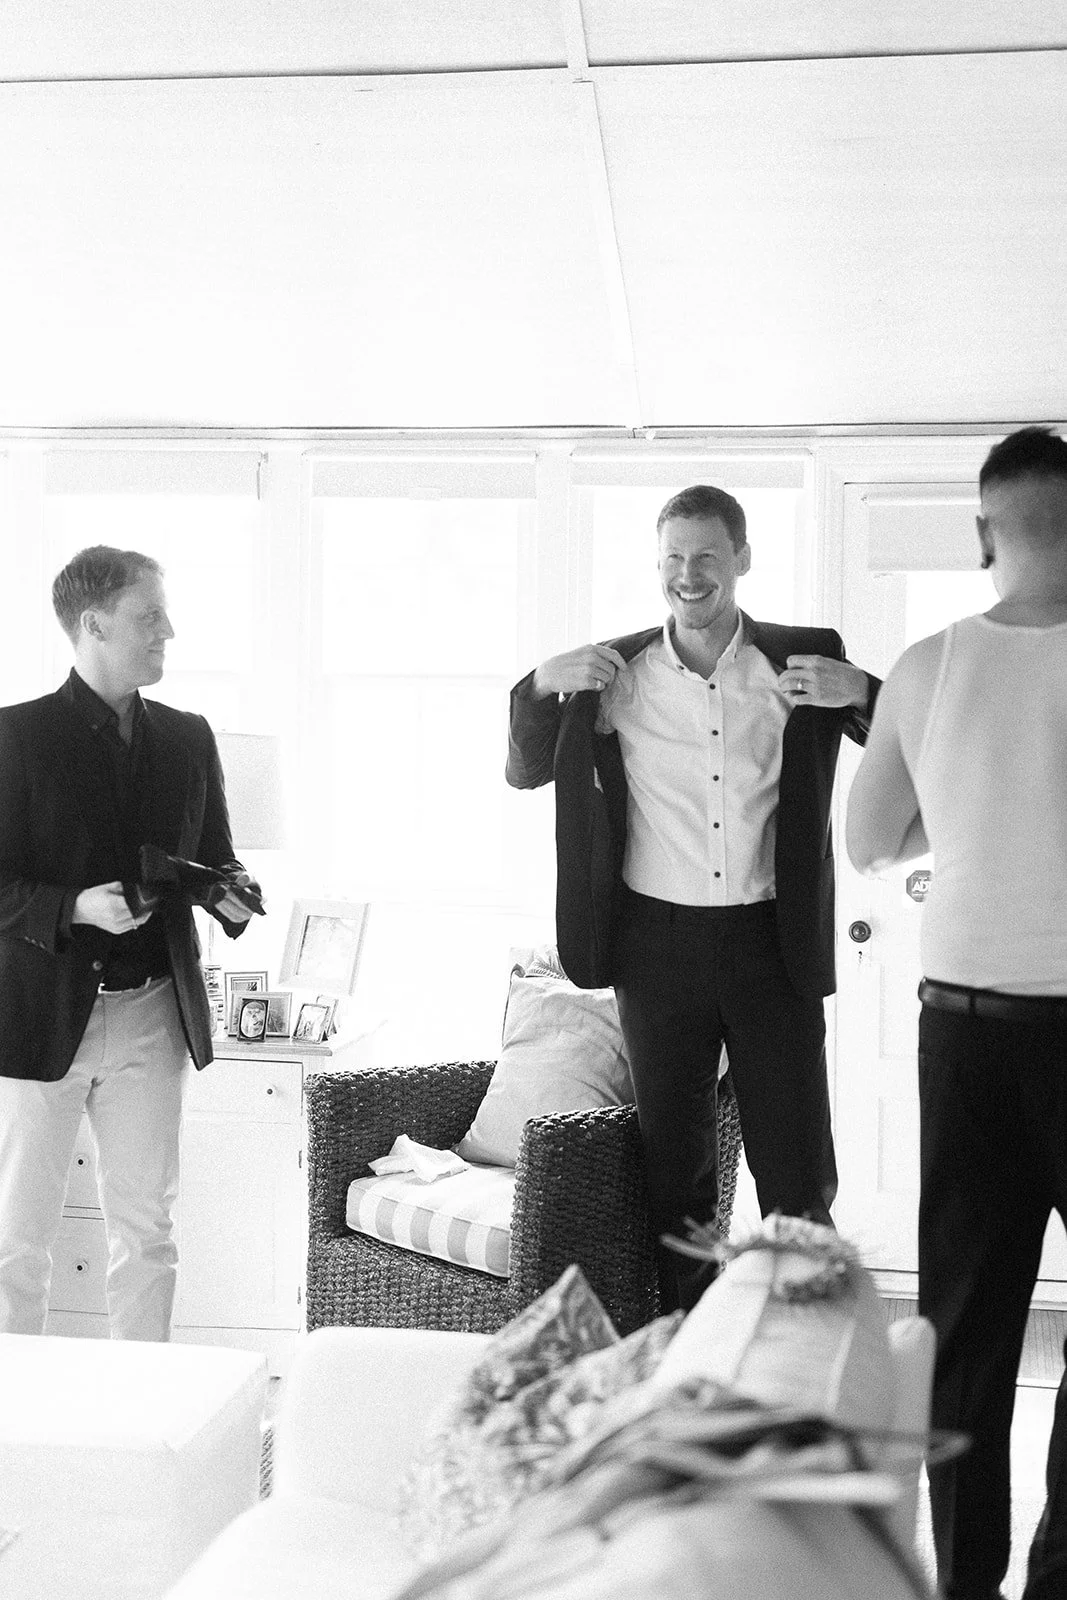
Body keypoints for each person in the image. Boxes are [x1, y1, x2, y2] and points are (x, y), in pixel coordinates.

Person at [507, 485, 879, 1310]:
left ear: (740, 559)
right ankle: (689, 1339)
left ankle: (801, 1342)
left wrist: (861, 689)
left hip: (768, 945)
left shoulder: (801, 658)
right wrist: (537, 686)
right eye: (672, 559)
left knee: (796, 1168)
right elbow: (525, 768)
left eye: (706, 556)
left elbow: (900, 737)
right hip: (654, 948)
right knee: (675, 1172)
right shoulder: (612, 672)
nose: (688, 575)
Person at [846, 426, 1067, 1600]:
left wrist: (963, 816)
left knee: (967, 1335)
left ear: (983, 537)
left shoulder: (928, 666)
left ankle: (966, 1588)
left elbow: (866, 840)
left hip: (970, 1030)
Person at [0, 546, 258, 1341]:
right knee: (16, 1244)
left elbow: (219, 853)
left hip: (154, 1014)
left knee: (147, 1237)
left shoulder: (188, 738)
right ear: (93, 623)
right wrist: (72, 904)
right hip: (38, 1019)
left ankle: (141, 1421)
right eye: (150, 616)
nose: (168, 631)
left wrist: (228, 891)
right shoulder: (14, 738)